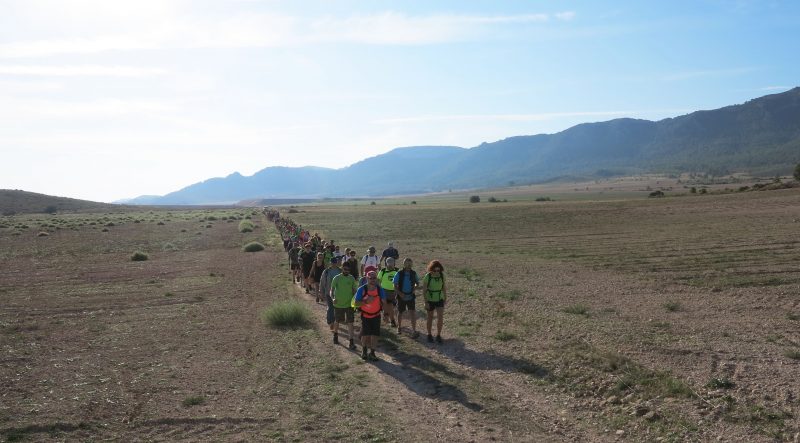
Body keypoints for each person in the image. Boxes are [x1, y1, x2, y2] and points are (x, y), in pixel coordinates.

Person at [354, 270, 386, 361]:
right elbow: (356, 303)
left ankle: (372, 353)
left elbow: (384, 302)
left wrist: (386, 314)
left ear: (376, 279)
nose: (372, 279)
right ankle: (364, 351)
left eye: (374, 278)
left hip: (376, 315)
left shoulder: (380, 289)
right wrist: (365, 301)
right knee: (365, 335)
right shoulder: (362, 289)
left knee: (375, 335)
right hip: (365, 316)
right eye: (370, 278)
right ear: (367, 278)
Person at [330, 263, 359, 350]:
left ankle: (351, 342)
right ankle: (335, 335)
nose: (346, 271)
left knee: (350, 323)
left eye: (348, 270)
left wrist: (355, 301)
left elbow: (354, 290)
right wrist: (332, 298)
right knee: (337, 321)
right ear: (342, 268)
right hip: (338, 304)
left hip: (349, 304)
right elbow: (332, 289)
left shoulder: (351, 278)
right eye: (345, 269)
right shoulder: (337, 278)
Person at [393, 258, 420, 338]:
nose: (408, 265)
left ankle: (414, 330)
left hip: (410, 296)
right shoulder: (399, 273)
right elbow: (394, 285)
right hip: (401, 296)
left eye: (410, 264)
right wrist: (400, 293)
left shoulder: (413, 273)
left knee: (412, 312)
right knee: (400, 312)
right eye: (407, 263)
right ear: (404, 264)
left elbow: (417, 283)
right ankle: (399, 327)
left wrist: (414, 289)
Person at [422, 260, 447, 343]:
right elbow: (424, 290)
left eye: (438, 270)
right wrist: (426, 302)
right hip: (430, 299)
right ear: (431, 269)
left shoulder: (442, 276)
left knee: (440, 317)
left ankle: (438, 335)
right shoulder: (427, 276)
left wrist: (445, 298)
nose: (436, 272)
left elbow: (444, 288)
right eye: (434, 270)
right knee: (430, 317)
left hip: (440, 298)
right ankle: (429, 335)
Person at [319, 256, 342, 332]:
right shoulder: (326, 271)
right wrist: (321, 292)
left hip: (338, 293)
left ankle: (335, 321)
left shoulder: (340, 271)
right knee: (330, 307)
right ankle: (330, 322)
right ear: (330, 263)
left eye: (335, 262)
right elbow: (322, 282)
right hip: (328, 292)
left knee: (337, 308)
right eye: (332, 263)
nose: (334, 264)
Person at [377, 257, 399, 327]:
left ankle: (387, 316)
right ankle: (392, 321)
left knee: (390, 307)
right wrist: (379, 289)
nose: (390, 265)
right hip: (384, 291)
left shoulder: (398, 271)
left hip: (394, 291)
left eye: (391, 263)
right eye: (388, 263)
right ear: (386, 263)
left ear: (394, 263)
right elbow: (378, 281)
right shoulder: (383, 271)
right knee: (389, 306)